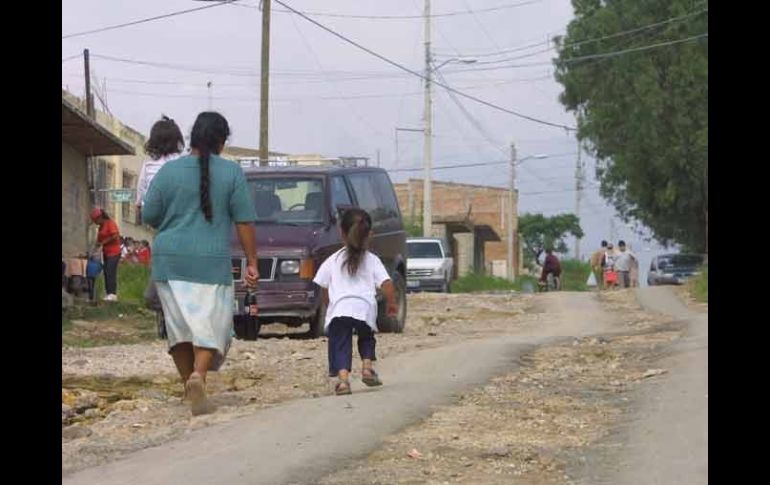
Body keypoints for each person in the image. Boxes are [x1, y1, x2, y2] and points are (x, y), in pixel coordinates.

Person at [142, 112, 258, 416]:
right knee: (212, 325)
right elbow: (244, 221)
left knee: (179, 327)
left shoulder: (168, 172)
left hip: (169, 262)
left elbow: (149, 216)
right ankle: (198, 377)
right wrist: (252, 262)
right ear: (221, 141)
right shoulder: (232, 173)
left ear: (192, 138)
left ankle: (189, 388)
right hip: (211, 263)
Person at [312, 208, 398, 396]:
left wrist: (329, 306)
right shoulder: (372, 260)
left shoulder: (332, 260)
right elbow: (387, 283)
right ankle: (367, 368)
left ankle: (343, 382)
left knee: (340, 343)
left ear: (341, 234)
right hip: (364, 308)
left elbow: (323, 286)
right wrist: (392, 304)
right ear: (370, 235)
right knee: (366, 337)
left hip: (339, 309)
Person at [135, 115, 185, 218]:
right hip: (180, 217)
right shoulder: (184, 163)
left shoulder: (148, 166)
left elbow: (139, 200)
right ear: (177, 140)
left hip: (156, 218)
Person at [90, 207, 121, 302]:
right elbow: (98, 242)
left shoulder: (110, 223)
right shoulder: (101, 228)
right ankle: (109, 294)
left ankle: (113, 294)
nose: (95, 222)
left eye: (95, 220)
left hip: (114, 252)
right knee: (106, 272)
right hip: (106, 253)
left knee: (110, 271)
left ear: (100, 217)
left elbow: (115, 235)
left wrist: (104, 242)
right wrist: (92, 251)